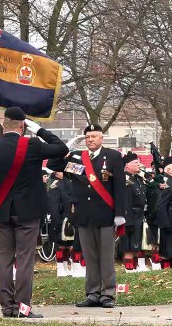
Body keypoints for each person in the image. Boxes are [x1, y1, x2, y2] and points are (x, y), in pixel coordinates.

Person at [0, 107, 67, 318]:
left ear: (4, 124)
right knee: (25, 260)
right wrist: (39, 130)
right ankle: (22, 307)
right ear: (22, 125)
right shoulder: (33, 145)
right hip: (28, 211)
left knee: (4, 260)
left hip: (2, 211)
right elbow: (61, 147)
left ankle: (7, 307)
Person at [47, 124, 126, 309]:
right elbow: (52, 165)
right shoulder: (77, 157)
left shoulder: (113, 156)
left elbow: (120, 188)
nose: (90, 140)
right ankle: (92, 293)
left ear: (101, 138)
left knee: (106, 257)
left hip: (106, 214)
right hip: (84, 214)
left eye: (94, 136)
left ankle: (108, 293)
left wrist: (119, 214)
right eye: (87, 137)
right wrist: (66, 149)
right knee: (89, 256)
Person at [119, 152, 147, 272]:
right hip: (130, 216)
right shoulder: (125, 179)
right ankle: (129, 269)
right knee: (129, 247)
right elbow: (125, 201)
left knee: (135, 245)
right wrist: (127, 220)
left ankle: (134, 267)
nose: (138, 164)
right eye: (135, 163)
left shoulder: (138, 179)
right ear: (127, 165)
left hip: (139, 216)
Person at [47, 171, 73, 277]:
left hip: (69, 217)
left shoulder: (70, 183)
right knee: (60, 244)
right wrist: (57, 221)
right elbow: (54, 206)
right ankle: (59, 267)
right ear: (56, 174)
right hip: (60, 217)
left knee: (68, 244)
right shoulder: (55, 186)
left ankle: (66, 266)